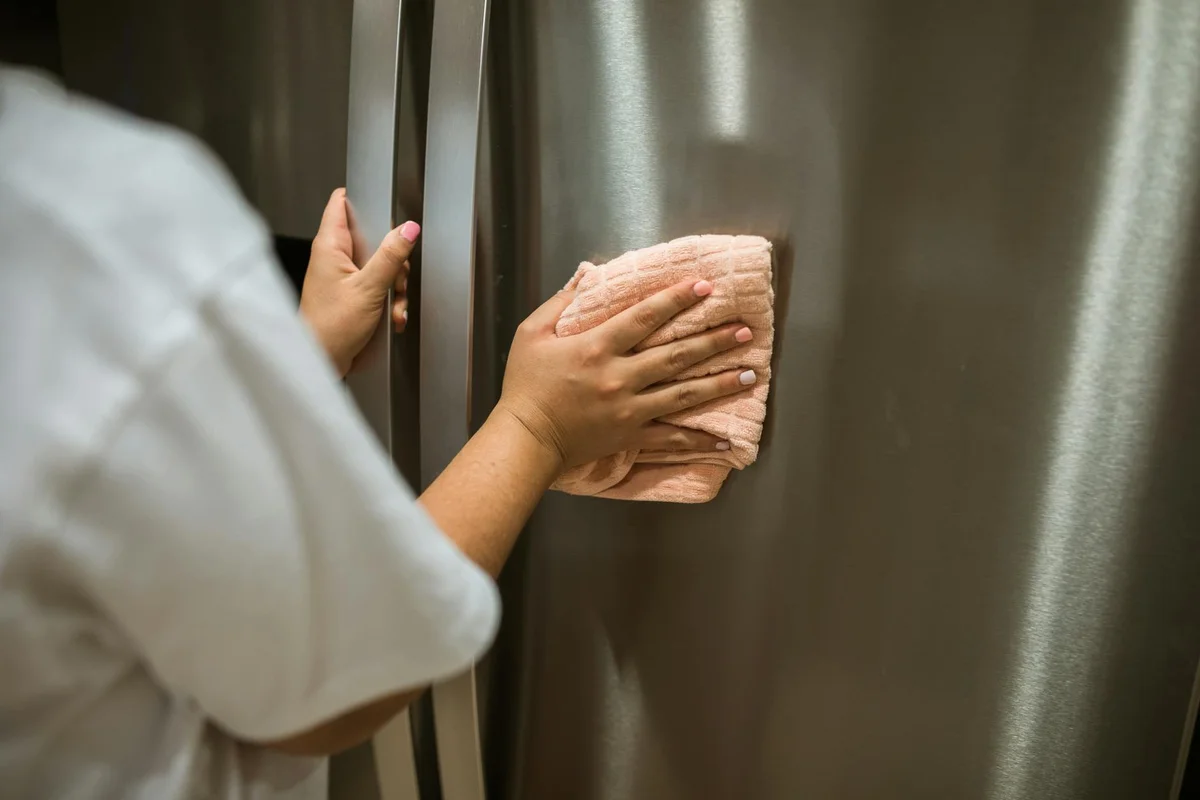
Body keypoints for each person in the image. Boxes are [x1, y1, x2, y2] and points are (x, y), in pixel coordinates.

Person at [0, 68, 757, 798]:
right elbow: (330, 688)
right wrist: (535, 428)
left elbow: (104, 499)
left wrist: (288, 361)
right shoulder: (90, 221)